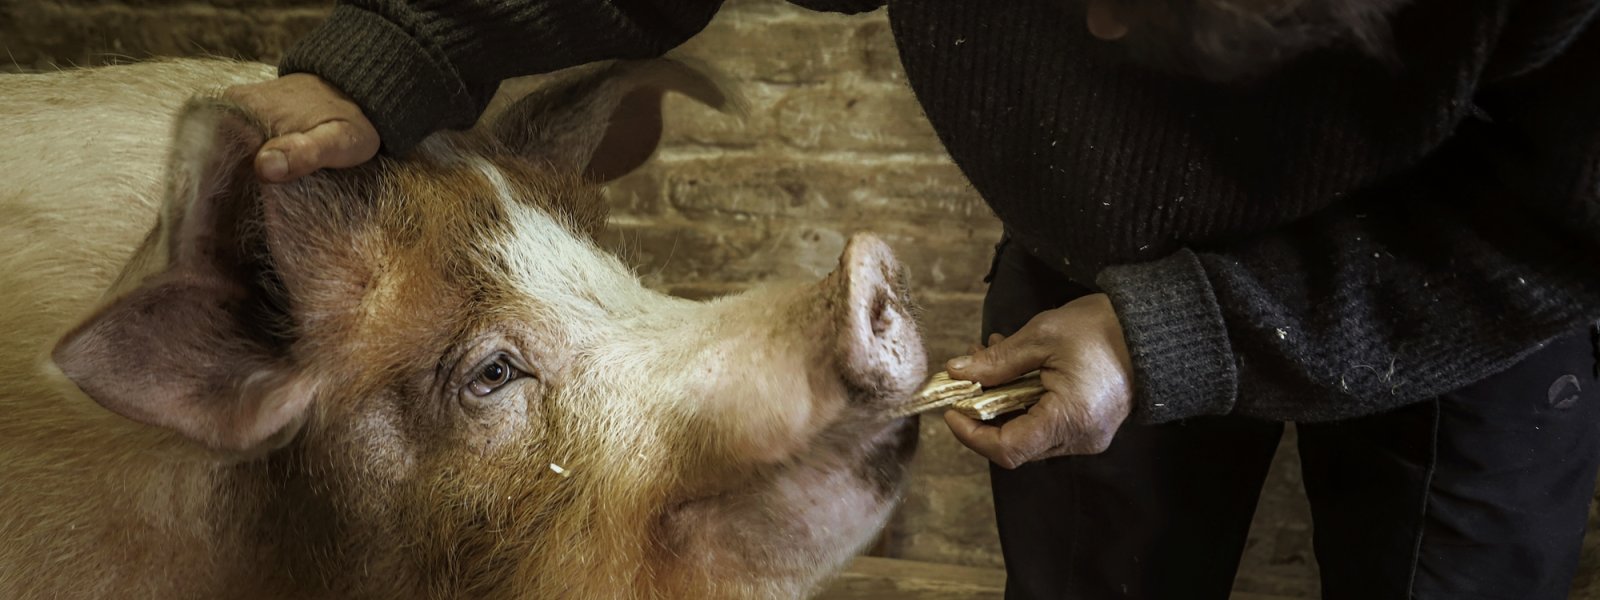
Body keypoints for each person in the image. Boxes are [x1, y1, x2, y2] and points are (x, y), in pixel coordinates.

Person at [225, 1, 1600, 598]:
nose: (1095, 24)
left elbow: (1548, 223)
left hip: (1450, 288)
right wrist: (405, 50)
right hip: (1091, 251)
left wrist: (1177, 336)